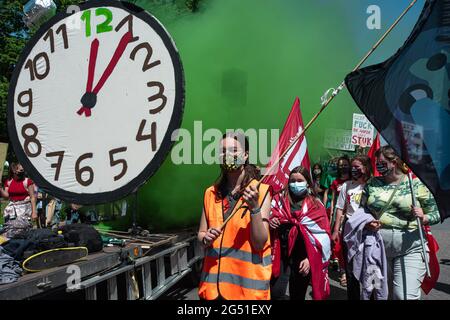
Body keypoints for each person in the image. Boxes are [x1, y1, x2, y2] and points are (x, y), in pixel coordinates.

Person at [197, 132, 272, 300]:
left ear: (245, 155)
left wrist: (254, 208)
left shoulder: (260, 191)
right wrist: (205, 238)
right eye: (223, 151)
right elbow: (201, 235)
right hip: (212, 289)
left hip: (245, 292)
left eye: (233, 150)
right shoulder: (210, 193)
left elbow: (260, 243)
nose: (227, 155)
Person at [360, 146, 440, 300]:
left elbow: (436, 213)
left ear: (394, 161)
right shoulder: (372, 184)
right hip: (377, 248)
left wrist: (424, 217)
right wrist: (367, 222)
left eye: (382, 162)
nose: (378, 165)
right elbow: (361, 211)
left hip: (410, 248)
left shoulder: (416, 184)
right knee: (381, 294)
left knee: (404, 296)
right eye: (377, 162)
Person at [269, 166, 331, 300]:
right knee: (275, 292)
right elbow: (269, 215)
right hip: (281, 254)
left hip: (303, 256)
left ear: (308, 182)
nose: (295, 184)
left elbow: (323, 237)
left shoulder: (316, 205)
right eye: (292, 181)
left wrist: (310, 258)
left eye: (299, 180)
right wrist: (271, 221)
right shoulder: (279, 200)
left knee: (297, 295)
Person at [331, 155, 372, 299]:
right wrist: (336, 230)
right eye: (352, 167)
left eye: (357, 167)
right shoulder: (346, 186)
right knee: (350, 269)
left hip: (368, 232)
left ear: (366, 168)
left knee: (369, 267)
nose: (353, 170)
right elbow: (340, 208)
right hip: (349, 232)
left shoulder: (373, 185)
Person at [329, 155, 351, 283]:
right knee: (339, 244)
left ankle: (348, 271)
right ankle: (343, 272)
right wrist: (332, 214)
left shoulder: (355, 181)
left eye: (345, 164)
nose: (343, 167)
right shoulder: (336, 182)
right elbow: (333, 199)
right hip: (338, 216)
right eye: (340, 165)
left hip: (349, 217)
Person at [1, 163, 37, 239]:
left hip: (25, 208)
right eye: (19, 170)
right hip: (12, 209)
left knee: (22, 228)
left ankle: (24, 243)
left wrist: (34, 212)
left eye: (22, 170)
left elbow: (32, 197)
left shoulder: (27, 181)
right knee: (10, 229)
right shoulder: (9, 181)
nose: (21, 172)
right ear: (14, 171)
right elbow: (6, 196)